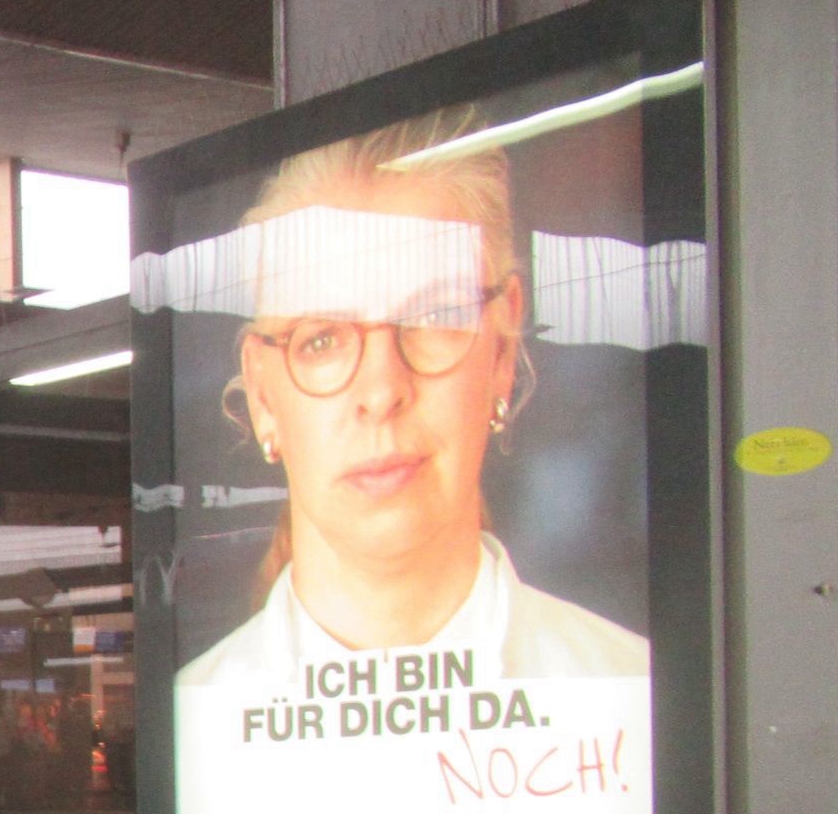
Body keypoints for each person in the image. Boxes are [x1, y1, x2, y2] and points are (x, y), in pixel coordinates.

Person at [183, 115, 648, 687]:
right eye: (321, 339)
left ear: (502, 350)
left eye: (433, 316)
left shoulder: (632, 688)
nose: (382, 392)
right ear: (262, 395)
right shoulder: (197, 710)